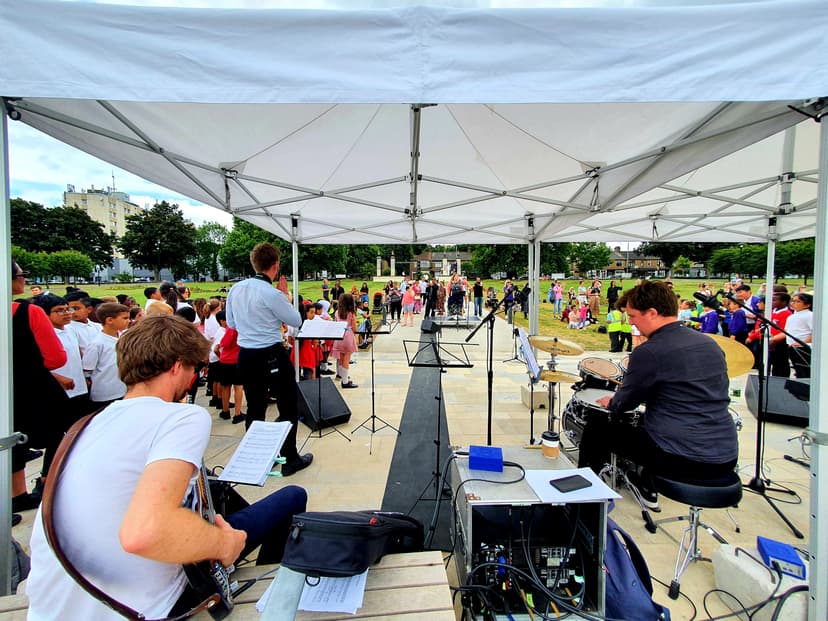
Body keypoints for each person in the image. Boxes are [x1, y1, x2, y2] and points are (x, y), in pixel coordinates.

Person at [26, 315, 308, 620]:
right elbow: (144, 532)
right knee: (292, 496)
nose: (194, 378)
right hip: (143, 606)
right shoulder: (181, 417)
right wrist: (225, 543)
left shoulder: (86, 425)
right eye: (195, 368)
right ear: (176, 366)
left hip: (55, 607)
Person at [578, 281, 738, 510]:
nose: (630, 321)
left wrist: (613, 401)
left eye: (633, 316)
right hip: (726, 453)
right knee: (645, 424)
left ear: (652, 313)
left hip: (681, 458)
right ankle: (643, 481)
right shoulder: (709, 344)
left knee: (599, 426)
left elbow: (624, 404)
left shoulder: (650, 351)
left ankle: (585, 500)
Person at [225, 242, 312, 476]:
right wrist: (286, 296)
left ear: (254, 263)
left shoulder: (236, 289)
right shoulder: (272, 293)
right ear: (275, 266)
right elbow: (295, 320)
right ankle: (290, 457)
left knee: (255, 407)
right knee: (288, 406)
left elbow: (231, 323)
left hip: (246, 354)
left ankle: (260, 457)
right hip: (270, 353)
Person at [82, 302, 130, 407]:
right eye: (125, 318)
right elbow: (87, 369)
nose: (128, 321)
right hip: (105, 393)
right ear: (109, 320)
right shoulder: (97, 343)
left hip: (122, 389)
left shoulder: (123, 337)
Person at [331, 293, 359, 388]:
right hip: (348, 335)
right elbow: (355, 328)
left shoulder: (337, 312)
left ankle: (343, 377)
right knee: (346, 359)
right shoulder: (351, 313)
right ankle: (345, 382)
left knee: (341, 359)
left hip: (339, 335)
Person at [786, 292, 813, 379]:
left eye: (798, 301)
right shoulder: (792, 316)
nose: (793, 303)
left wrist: (803, 343)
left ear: (807, 304)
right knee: (797, 369)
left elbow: (815, 332)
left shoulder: (809, 315)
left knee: (804, 370)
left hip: (803, 347)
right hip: (792, 346)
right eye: (793, 301)